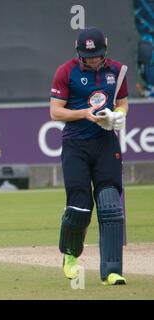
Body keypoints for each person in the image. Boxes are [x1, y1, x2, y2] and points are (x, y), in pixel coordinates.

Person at [50, 27, 129, 285]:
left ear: (105, 50)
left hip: (105, 142)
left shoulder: (117, 70)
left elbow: (123, 102)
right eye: (88, 56)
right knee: (80, 206)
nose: (93, 60)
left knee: (110, 205)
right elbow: (55, 112)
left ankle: (112, 270)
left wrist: (118, 115)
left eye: (97, 55)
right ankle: (70, 257)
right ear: (79, 52)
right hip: (76, 145)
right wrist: (84, 113)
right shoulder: (66, 71)